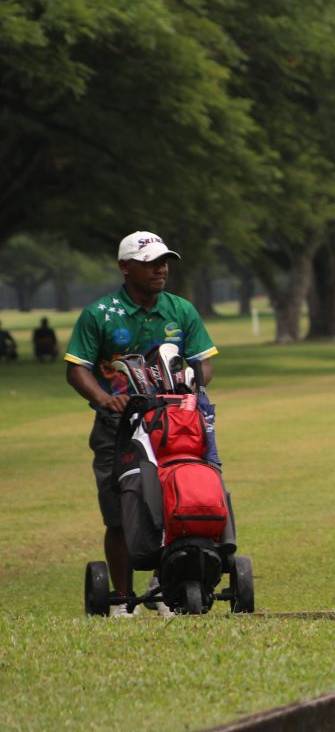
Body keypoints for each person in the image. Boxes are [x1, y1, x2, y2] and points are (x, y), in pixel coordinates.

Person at [63, 232, 219, 616]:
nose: (160, 269)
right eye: (150, 263)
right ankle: (121, 599)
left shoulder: (180, 309)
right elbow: (76, 369)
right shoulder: (100, 315)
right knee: (120, 511)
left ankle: (165, 586)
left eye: (164, 262)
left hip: (173, 423)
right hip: (116, 427)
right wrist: (104, 399)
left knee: (175, 502)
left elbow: (204, 364)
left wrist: (194, 384)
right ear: (125, 267)